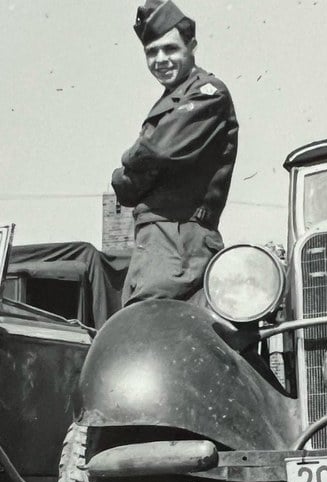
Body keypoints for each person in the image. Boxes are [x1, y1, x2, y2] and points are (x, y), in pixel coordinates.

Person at [112, 0, 238, 305]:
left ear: (192, 45)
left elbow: (158, 151)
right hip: (156, 246)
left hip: (180, 244)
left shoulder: (208, 93)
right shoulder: (173, 100)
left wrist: (125, 165)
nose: (161, 60)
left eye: (170, 49)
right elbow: (127, 192)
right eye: (151, 52)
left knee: (150, 332)